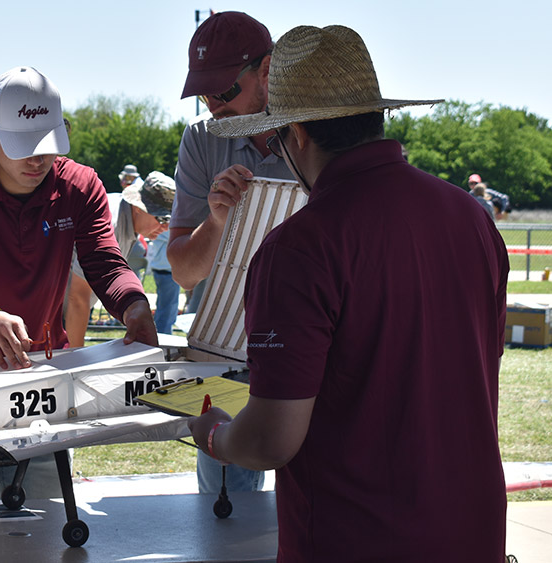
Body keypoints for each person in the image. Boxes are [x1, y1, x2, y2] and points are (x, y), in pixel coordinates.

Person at [191, 25, 507, 560]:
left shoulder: (298, 248)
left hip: (354, 536)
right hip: (473, 531)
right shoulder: (470, 218)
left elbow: (272, 439)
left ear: (297, 135)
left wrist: (215, 436)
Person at [0, 66, 156, 503]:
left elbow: (104, 261)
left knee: (43, 521)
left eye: (47, 144)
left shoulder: (79, 184)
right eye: (23, 146)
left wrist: (133, 303)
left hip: (40, 377)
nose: (37, 160)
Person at [167, 10, 292, 496]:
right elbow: (183, 272)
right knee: (228, 513)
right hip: (225, 353)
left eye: (223, 92)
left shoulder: (315, 134)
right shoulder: (201, 139)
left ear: (266, 72)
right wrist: (216, 220)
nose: (213, 106)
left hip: (315, 348)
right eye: (203, 94)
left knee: (317, 505)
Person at [65, 170, 175, 347]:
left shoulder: (128, 218)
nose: (165, 227)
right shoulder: (111, 223)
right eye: (162, 218)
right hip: (57, 313)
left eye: (170, 220)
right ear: (139, 207)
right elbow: (77, 298)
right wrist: (76, 359)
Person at [146, 230, 179, 334]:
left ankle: (162, 334)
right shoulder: (165, 230)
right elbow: (177, 236)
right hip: (166, 271)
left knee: (167, 306)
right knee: (167, 309)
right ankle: (163, 336)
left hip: (164, 269)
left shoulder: (161, 229)